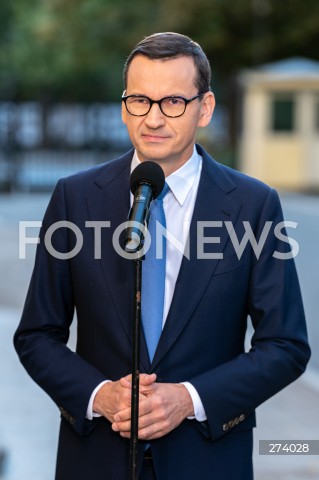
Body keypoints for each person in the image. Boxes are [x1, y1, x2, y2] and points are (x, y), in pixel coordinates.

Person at [14, 32, 310, 480]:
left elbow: (285, 345)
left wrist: (189, 399)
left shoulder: (254, 205)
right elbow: (37, 333)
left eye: (172, 101)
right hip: (96, 460)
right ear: (123, 106)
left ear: (204, 108)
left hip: (208, 461)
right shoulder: (75, 198)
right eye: (140, 100)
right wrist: (99, 394)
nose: (153, 118)